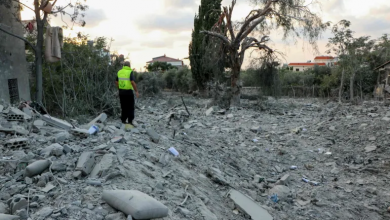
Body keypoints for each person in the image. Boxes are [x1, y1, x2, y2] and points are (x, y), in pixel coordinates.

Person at [115, 61, 139, 127]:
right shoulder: (130, 72)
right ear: (129, 66)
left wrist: (119, 89)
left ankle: (123, 120)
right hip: (128, 92)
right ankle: (130, 121)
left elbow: (116, 82)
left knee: (123, 106)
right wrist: (136, 91)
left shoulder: (119, 72)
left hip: (121, 92)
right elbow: (132, 82)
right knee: (130, 106)